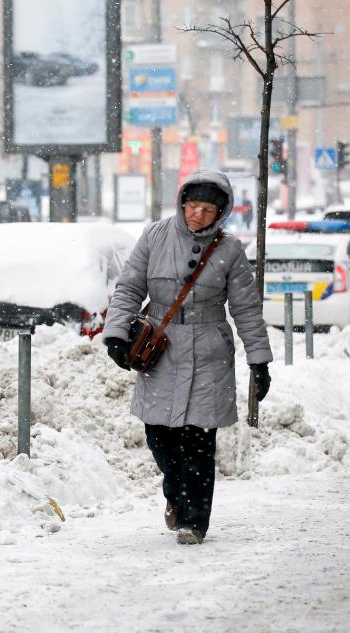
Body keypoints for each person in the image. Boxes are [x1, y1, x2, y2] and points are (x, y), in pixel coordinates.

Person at [102, 170, 273, 546]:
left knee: (198, 439)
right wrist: (115, 334)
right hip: (160, 348)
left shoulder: (229, 250)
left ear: (221, 212)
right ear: (182, 203)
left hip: (209, 351)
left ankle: (195, 520)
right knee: (159, 436)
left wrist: (258, 360)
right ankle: (174, 491)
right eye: (193, 206)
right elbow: (130, 286)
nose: (198, 214)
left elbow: (246, 308)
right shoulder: (155, 235)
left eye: (208, 209)